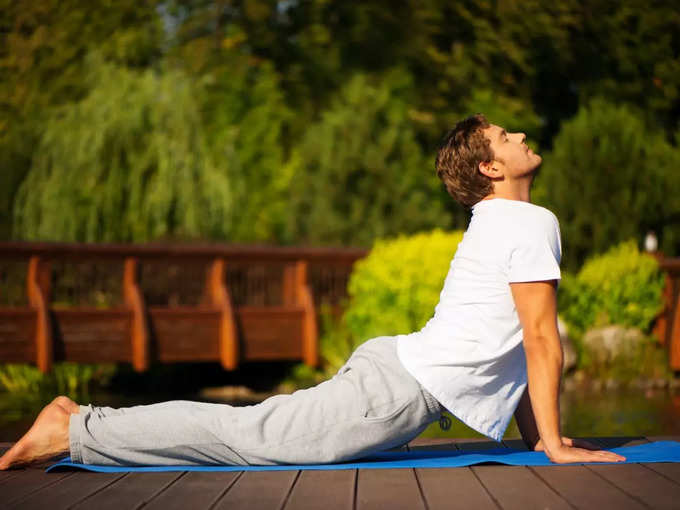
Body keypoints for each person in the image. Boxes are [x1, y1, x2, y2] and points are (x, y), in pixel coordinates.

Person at [0, 114, 626, 470]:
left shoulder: (501, 222)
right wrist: (557, 453)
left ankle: (80, 423)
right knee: (249, 438)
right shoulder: (526, 220)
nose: (520, 136)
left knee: (253, 429)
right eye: (506, 137)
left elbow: (516, 344)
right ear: (492, 169)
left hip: (395, 378)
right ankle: (78, 427)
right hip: (395, 390)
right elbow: (540, 341)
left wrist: (543, 440)